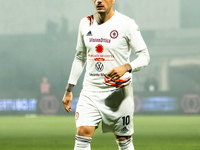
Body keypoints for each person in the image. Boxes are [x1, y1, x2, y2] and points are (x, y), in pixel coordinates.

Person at [62, 0, 150, 150]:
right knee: (83, 133)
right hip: (91, 91)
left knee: (124, 139)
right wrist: (69, 90)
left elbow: (144, 56)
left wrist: (126, 67)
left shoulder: (127, 24)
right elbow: (79, 57)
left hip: (119, 93)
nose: (99, 1)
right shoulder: (85, 23)